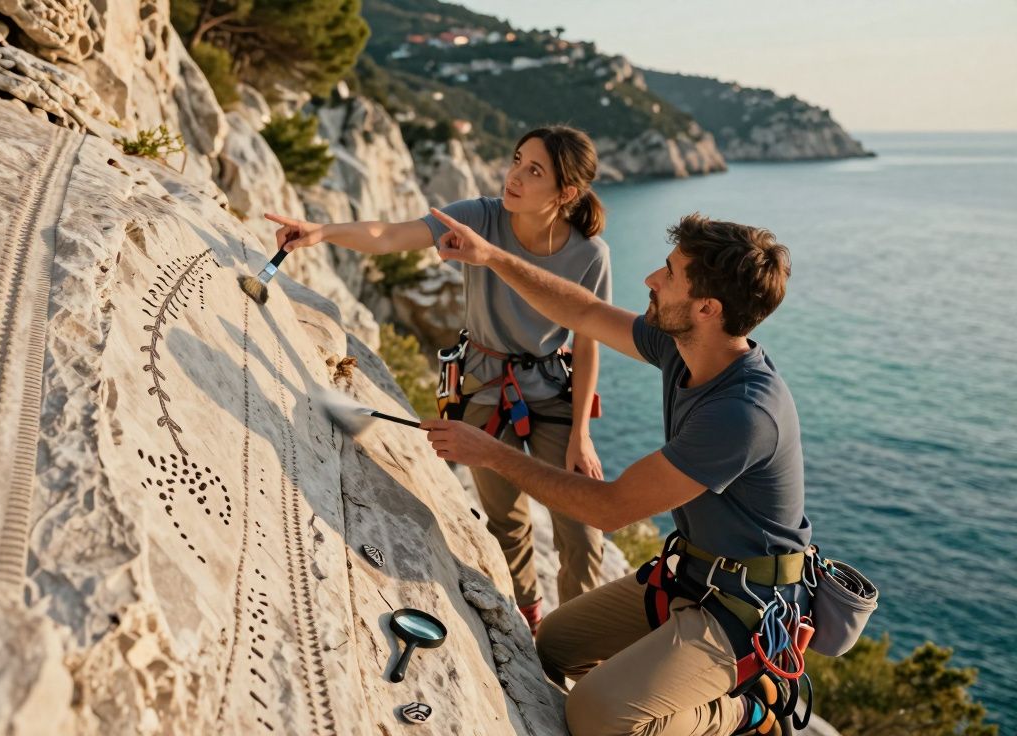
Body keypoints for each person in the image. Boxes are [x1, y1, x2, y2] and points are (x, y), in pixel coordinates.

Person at [421, 208, 812, 736]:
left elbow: (609, 509)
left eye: (669, 274)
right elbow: (583, 311)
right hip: (692, 576)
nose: (651, 279)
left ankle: (751, 711)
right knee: (553, 648)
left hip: (743, 610)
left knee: (597, 716)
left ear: (707, 308)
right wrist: (490, 256)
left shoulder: (743, 413)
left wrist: (490, 452)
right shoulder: (685, 347)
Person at [265, 126, 613, 630]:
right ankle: (531, 624)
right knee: (507, 524)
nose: (514, 175)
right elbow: (393, 234)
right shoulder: (481, 216)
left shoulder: (589, 255)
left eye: (534, 171)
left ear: (566, 194)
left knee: (581, 531)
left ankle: (581, 648)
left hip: (551, 391)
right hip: (483, 387)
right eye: (517, 160)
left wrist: (581, 433)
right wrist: (323, 231)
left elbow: (588, 343)